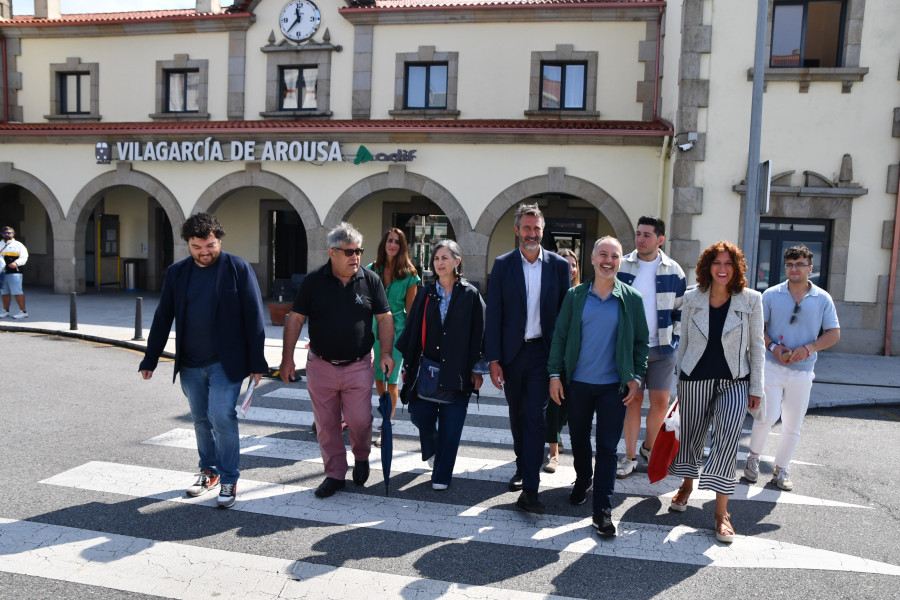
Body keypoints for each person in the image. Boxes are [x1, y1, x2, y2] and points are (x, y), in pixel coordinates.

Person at [139, 212, 268, 509]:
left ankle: (229, 478)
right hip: (190, 363)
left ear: (219, 239)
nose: (204, 252)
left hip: (227, 362)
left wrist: (257, 362)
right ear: (187, 244)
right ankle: (208, 470)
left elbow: (254, 318)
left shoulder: (238, 269)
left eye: (209, 245)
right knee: (200, 419)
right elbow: (162, 317)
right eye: (197, 247)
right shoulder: (177, 273)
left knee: (222, 416)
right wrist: (150, 358)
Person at [280, 222, 395, 499]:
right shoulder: (313, 281)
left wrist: (387, 353)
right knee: (327, 425)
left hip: (358, 365)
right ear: (332, 253)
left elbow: (384, 318)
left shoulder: (370, 280)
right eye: (349, 252)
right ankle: (334, 474)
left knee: (359, 420)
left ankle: (362, 456)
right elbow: (295, 319)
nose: (355, 256)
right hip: (320, 366)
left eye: (358, 250)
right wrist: (287, 359)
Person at [548, 236, 648, 538]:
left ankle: (602, 510)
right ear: (592, 259)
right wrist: (554, 374)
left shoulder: (631, 298)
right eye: (602, 254)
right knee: (579, 439)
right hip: (577, 383)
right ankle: (583, 479)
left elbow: (641, 343)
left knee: (607, 448)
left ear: (620, 262)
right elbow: (561, 337)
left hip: (613, 388)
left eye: (614, 256)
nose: (608, 260)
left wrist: (636, 376)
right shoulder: (575, 296)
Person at [668, 241, 764, 544]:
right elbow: (682, 345)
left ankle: (721, 514)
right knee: (693, 437)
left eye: (728, 264)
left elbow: (758, 346)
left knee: (727, 440)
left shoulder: (751, 300)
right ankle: (686, 486)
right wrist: (678, 384)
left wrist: (757, 387)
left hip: (735, 381)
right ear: (707, 267)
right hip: (694, 378)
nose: (722, 269)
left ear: (736, 269)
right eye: (717, 263)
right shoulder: (691, 299)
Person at [485, 203, 570, 515]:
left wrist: (560, 362)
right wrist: (493, 359)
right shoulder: (503, 265)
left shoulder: (560, 267)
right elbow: (493, 316)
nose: (532, 234)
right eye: (526, 228)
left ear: (542, 231)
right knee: (518, 414)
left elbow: (565, 318)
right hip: (511, 355)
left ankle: (531, 489)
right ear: (517, 230)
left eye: (537, 228)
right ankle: (523, 465)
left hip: (543, 354)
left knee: (535, 416)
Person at [744, 245, 840, 491]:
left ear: (810, 268)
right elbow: (758, 329)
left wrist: (808, 349)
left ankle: (781, 470)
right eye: (789, 265)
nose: (793, 269)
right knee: (767, 416)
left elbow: (834, 334)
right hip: (772, 366)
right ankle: (752, 460)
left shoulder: (822, 298)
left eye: (798, 264)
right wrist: (774, 347)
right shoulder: (771, 295)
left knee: (793, 423)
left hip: (803, 370)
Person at [396, 239, 485, 490]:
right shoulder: (426, 293)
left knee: (452, 426)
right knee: (420, 415)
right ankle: (433, 447)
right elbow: (413, 332)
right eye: (436, 258)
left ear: (457, 261)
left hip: (458, 371)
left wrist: (478, 369)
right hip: (427, 369)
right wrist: (406, 367)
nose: (439, 263)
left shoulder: (470, 294)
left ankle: (441, 475)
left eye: (445, 258)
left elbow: (480, 333)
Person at [614, 216, 686, 478]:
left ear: (660, 240)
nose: (640, 239)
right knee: (631, 401)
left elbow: (679, 311)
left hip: (663, 349)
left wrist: (674, 340)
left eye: (646, 235)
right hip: (631, 350)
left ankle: (648, 447)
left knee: (660, 402)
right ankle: (630, 456)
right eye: (638, 234)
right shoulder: (622, 266)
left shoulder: (674, 271)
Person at [366, 228, 420, 447]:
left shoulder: (409, 274)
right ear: (384, 243)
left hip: (397, 332)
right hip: (373, 330)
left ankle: (386, 425)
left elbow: (412, 311)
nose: (393, 245)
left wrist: (410, 341)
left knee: (392, 380)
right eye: (390, 240)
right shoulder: (372, 269)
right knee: (379, 378)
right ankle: (384, 415)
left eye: (397, 242)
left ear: (402, 246)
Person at [543, 247, 580, 473]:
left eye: (573, 264)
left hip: (577, 359)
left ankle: (555, 435)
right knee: (555, 404)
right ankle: (553, 451)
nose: (570, 268)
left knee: (568, 405)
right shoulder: (550, 292)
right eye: (564, 263)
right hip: (553, 355)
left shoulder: (582, 293)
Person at [0, 226, 29, 319]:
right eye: (5, 233)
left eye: (9, 233)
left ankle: (23, 311)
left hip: (14, 272)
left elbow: (24, 257)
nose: (7, 235)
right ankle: (5, 310)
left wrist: (16, 263)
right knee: (4, 292)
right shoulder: (0, 244)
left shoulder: (18, 245)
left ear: (13, 234)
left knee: (17, 292)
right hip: (2, 273)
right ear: (2, 234)